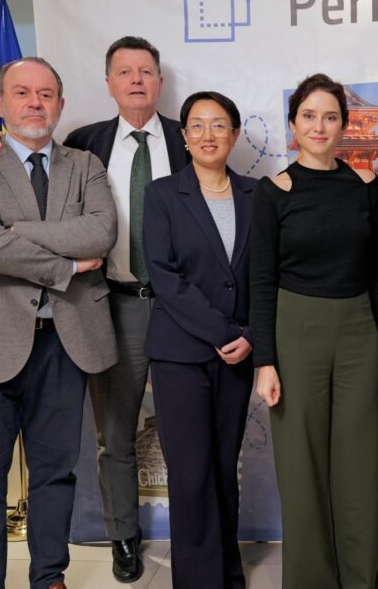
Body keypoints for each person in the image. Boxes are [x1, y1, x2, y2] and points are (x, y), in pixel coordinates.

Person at [0, 36, 188, 582]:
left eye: (146, 71)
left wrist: (9, 232)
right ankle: (124, 536)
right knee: (116, 432)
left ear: (160, 82)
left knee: (189, 429)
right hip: (112, 302)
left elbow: (98, 229)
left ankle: (196, 534)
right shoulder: (85, 143)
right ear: (108, 83)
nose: (136, 80)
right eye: (124, 71)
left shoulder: (189, 138)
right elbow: (37, 188)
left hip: (182, 305)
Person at [0, 57, 117, 589]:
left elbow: (100, 233)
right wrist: (67, 265)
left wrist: (11, 232)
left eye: (45, 94)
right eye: (21, 93)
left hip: (65, 340)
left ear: (60, 103)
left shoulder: (84, 164)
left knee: (55, 473)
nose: (34, 103)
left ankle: (49, 577)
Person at [250, 73, 378, 589]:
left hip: (359, 330)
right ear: (293, 125)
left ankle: (361, 579)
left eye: (330, 117)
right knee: (302, 464)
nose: (319, 126)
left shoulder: (363, 186)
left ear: (343, 126)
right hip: (295, 332)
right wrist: (265, 361)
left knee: (358, 462)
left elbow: (374, 267)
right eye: (309, 116)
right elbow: (261, 280)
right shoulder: (273, 191)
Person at [142, 91, 256, 589]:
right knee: (191, 476)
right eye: (197, 125)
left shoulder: (257, 195)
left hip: (240, 354)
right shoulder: (163, 195)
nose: (208, 135)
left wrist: (251, 335)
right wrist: (224, 332)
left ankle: (228, 575)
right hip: (181, 354)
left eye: (219, 125)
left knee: (224, 469)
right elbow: (165, 277)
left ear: (234, 133)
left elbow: (268, 275)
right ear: (184, 136)